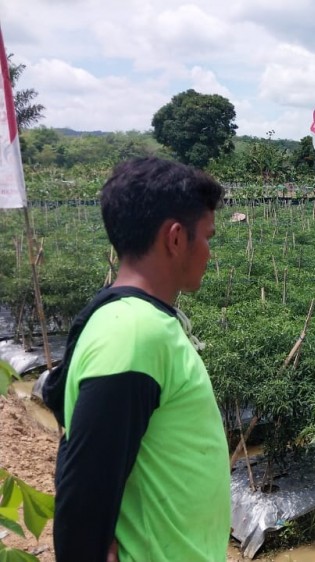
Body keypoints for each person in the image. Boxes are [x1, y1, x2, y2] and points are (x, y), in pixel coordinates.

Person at [42, 157, 230, 561]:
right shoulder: (134, 334)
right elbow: (81, 502)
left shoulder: (134, 321)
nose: (210, 252)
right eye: (208, 237)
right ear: (176, 238)